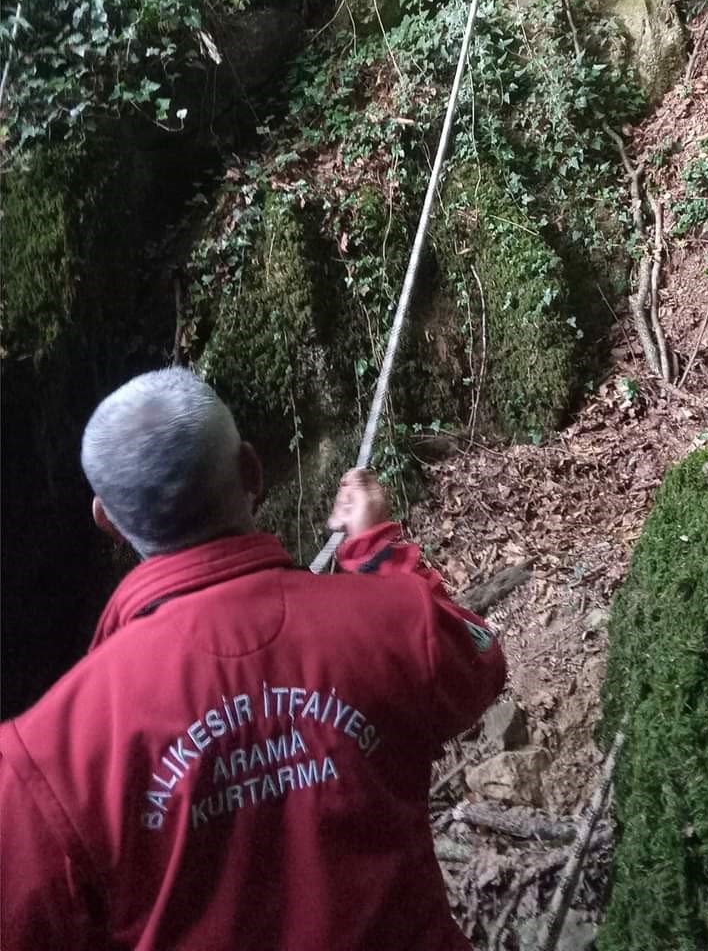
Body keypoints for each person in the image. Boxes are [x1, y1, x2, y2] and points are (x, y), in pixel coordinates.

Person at [0, 368, 506, 951]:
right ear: (251, 470)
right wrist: (375, 551)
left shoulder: (41, 758)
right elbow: (482, 659)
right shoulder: (395, 621)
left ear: (107, 522)